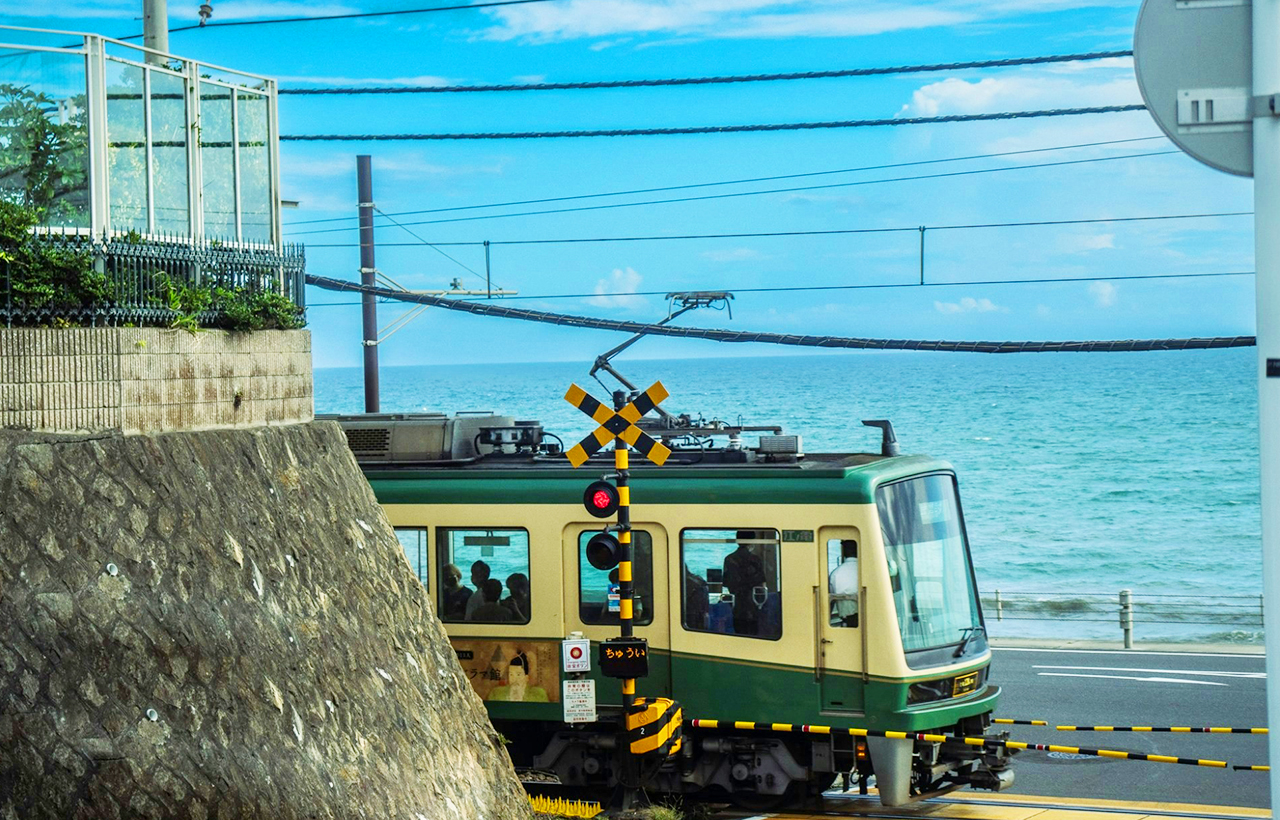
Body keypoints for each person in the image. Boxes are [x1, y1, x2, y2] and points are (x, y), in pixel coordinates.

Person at [722, 531, 767, 636]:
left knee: (739, 633)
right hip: (753, 605)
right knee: (753, 633)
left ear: (738, 541)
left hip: (737, 605)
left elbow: (727, 584)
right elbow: (762, 585)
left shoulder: (729, 559)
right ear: (752, 542)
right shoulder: (755, 559)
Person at [829, 540, 859, 627]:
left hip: (847, 622)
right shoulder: (868, 571)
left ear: (844, 553)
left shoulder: (836, 573)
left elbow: (831, 598)